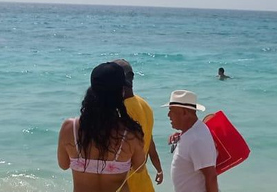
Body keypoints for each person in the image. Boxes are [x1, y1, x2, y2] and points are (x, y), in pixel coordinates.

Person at [58, 62, 146, 192]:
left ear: (92, 90)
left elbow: (63, 165)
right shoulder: (130, 133)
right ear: (121, 92)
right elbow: (140, 168)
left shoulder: (69, 128)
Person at [113, 59, 164, 191]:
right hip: (143, 183)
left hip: (126, 185)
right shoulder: (145, 105)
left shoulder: (122, 110)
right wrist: (159, 169)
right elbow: (150, 142)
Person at [162, 90, 218, 192]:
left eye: (171, 111)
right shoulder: (192, 131)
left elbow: (211, 177)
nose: (168, 115)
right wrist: (181, 136)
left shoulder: (196, 139)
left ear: (184, 112)